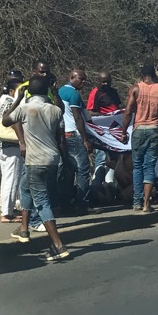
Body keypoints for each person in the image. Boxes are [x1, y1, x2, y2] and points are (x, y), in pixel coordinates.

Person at [2, 74, 71, 261]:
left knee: (41, 201)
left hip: (35, 160)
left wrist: (17, 99)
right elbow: (61, 117)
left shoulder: (25, 108)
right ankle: (24, 229)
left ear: (29, 91)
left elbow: (6, 120)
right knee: (25, 187)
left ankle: (58, 245)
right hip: (52, 159)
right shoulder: (55, 110)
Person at [121, 64, 158, 212]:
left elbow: (127, 112)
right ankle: (146, 203)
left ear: (141, 75)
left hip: (139, 130)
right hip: (154, 130)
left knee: (137, 166)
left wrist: (123, 131)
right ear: (154, 74)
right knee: (149, 166)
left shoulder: (135, 89)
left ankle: (136, 202)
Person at [59, 69, 94, 213]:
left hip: (62, 135)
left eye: (85, 79)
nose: (83, 82)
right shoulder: (73, 94)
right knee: (83, 169)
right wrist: (85, 138)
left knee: (68, 171)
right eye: (81, 79)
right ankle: (82, 203)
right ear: (72, 77)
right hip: (73, 135)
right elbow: (78, 117)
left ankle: (65, 204)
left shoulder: (60, 92)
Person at [0, 70, 25, 222]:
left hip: (4, 144)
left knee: (8, 177)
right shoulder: (8, 100)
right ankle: (7, 213)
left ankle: (7, 207)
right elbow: (11, 120)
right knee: (11, 178)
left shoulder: (3, 98)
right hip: (10, 143)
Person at [86, 71, 122, 179]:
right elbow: (90, 112)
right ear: (99, 81)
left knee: (115, 158)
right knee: (101, 157)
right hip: (102, 131)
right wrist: (106, 116)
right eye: (103, 82)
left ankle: (110, 182)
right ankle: (97, 184)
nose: (105, 84)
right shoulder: (95, 93)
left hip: (115, 130)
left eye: (108, 82)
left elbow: (117, 108)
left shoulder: (113, 92)